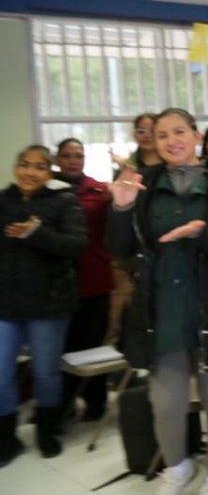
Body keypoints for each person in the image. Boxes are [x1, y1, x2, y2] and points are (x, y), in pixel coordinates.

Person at [107, 108, 208, 495]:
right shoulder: (142, 185)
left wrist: (201, 232)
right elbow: (118, 248)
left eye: (180, 131)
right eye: (162, 135)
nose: (172, 141)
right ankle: (177, 466)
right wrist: (122, 208)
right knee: (166, 401)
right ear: (154, 143)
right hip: (163, 309)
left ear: (196, 136)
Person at [0, 145, 85, 465]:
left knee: (46, 373)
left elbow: (76, 246)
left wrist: (36, 233)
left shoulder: (65, 201)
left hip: (49, 305)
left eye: (39, 167)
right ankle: (6, 437)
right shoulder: (2, 200)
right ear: (15, 167)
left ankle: (46, 431)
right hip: (5, 305)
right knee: (0, 374)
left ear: (49, 174)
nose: (30, 172)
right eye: (24, 165)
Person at [54, 139, 117, 422]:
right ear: (57, 159)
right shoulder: (46, 190)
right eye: (66, 156)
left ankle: (95, 404)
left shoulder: (99, 191)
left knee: (92, 345)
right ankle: (63, 405)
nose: (72, 161)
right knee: (63, 347)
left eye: (78, 156)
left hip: (94, 279)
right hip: (56, 284)